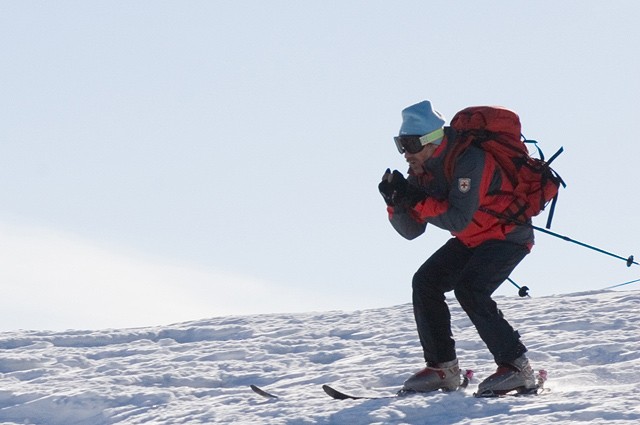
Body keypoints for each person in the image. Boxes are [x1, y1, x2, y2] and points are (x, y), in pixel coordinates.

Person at [378, 100, 537, 395]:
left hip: (508, 235)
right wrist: (396, 204)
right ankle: (443, 370)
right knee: (425, 282)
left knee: (470, 289)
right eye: (401, 144)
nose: (406, 153)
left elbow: (458, 219)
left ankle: (518, 368)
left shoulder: (470, 160)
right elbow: (412, 232)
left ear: (432, 140)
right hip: (473, 239)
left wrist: (414, 200)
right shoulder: (422, 171)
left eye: (411, 144)